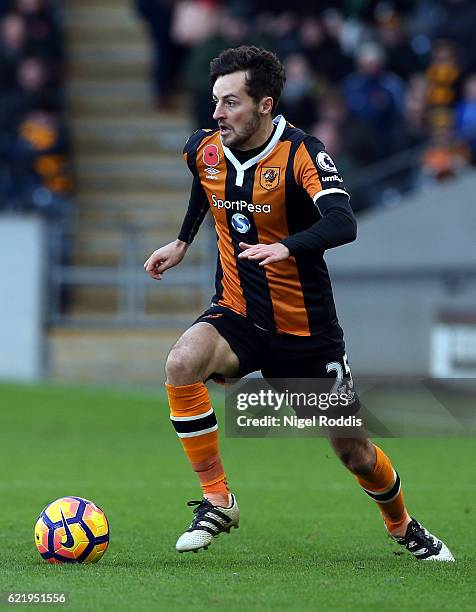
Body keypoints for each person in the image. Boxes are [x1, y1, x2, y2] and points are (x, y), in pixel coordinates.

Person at [144, 46, 454, 561]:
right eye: (215, 101)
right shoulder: (204, 148)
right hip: (238, 315)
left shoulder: (304, 153)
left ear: (265, 105)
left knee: (353, 453)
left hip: (304, 333)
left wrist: (287, 245)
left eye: (231, 103)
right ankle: (217, 500)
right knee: (181, 363)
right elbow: (205, 186)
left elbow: (342, 221)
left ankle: (402, 527)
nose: (217, 114)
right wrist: (182, 241)